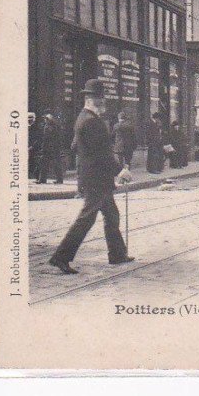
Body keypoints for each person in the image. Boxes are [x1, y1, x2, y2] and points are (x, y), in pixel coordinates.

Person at [48, 79, 133, 274]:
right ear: (89, 99)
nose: (101, 101)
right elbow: (102, 154)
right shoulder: (91, 122)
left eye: (101, 98)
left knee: (112, 215)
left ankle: (118, 255)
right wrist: (120, 171)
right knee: (86, 219)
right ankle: (60, 257)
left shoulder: (84, 118)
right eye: (97, 98)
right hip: (97, 180)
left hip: (95, 178)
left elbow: (76, 146)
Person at [36, 112, 64, 184]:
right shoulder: (55, 126)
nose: (44, 120)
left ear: (48, 119)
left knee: (45, 164)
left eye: (45, 119)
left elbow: (46, 139)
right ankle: (59, 179)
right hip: (54, 148)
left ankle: (42, 179)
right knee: (55, 164)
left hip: (49, 149)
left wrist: (43, 148)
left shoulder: (48, 127)